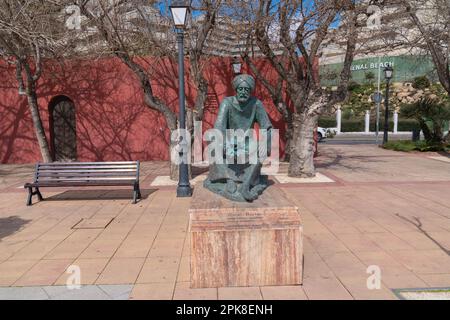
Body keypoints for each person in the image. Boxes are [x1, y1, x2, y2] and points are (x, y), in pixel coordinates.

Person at [204, 74, 273, 202]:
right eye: (240, 89)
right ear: (236, 90)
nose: (243, 92)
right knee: (214, 143)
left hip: (247, 142)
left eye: (246, 90)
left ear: (250, 91)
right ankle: (228, 179)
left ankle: (246, 184)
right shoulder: (227, 103)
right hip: (228, 140)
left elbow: (267, 127)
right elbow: (219, 126)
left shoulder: (256, 104)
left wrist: (264, 142)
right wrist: (224, 142)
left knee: (261, 148)